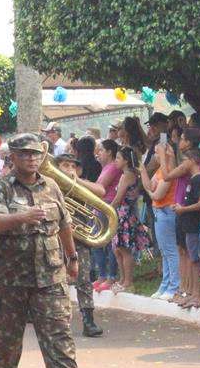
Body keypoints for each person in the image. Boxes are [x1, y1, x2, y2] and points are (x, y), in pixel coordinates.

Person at [0, 134, 91, 368]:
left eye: (36, 154)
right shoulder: (0, 188)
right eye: (25, 154)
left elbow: (65, 225)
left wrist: (72, 258)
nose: (32, 158)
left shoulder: (52, 186)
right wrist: (22, 217)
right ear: (13, 157)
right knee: (8, 339)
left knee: (59, 333)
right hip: (11, 279)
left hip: (49, 274)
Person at [55, 154, 103, 337]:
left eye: (73, 167)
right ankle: (57, 319)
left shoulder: (81, 185)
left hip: (79, 240)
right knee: (56, 280)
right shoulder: (49, 186)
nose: (69, 170)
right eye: (65, 166)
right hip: (55, 239)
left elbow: (101, 191)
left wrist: (79, 182)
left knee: (83, 279)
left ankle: (88, 320)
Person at [110, 146, 151, 294]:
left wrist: (107, 209)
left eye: (118, 158)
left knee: (124, 249)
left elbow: (118, 198)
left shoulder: (127, 175)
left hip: (125, 214)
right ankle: (123, 279)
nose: (115, 161)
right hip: (122, 213)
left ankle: (128, 282)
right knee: (117, 249)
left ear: (126, 161)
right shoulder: (128, 174)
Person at [139, 149, 179, 300]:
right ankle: (166, 284)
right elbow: (149, 184)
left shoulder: (169, 171)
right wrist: (143, 171)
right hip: (159, 212)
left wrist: (150, 193)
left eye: (158, 152)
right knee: (164, 250)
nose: (156, 155)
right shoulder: (160, 171)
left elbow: (157, 194)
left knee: (170, 250)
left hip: (166, 211)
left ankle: (173, 285)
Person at [171, 148, 200, 308]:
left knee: (195, 260)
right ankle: (193, 292)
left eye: (184, 160)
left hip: (195, 225)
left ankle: (198, 294)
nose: (182, 164)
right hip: (188, 224)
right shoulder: (192, 180)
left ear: (192, 161)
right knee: (192, 258)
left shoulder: (198, 180)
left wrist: (183, 209)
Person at [92, 139, 121, 291]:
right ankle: (102, 275)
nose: (99, 153)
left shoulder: (113, 168)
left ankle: (111, 276)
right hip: (101, 206)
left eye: (101, 150)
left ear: (109, 152)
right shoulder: (106, 167)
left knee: (108, 243)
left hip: (108, 206)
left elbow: (99, 187)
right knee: (96, 242)